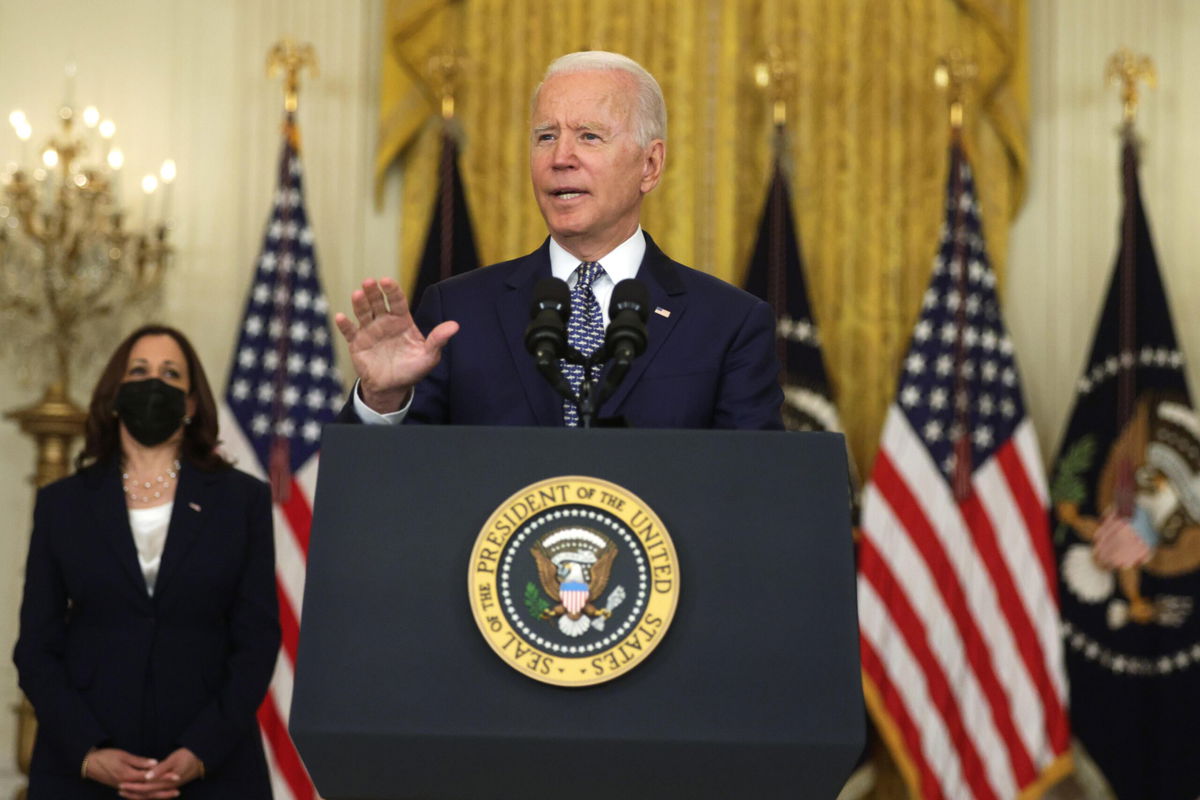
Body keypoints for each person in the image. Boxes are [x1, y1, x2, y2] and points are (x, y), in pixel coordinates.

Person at [334, 51, 784, 429]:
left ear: (650, 165)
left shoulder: (728, 325)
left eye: (589, 136)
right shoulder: (457, 313)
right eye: (546, 136)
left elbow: (751, 492)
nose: (560, 158)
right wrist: (382, 399)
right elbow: (392, 492)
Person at [14, 325, 279, 799]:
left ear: (192, 402)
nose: (154, 382)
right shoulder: (63, 504)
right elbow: (36, 647)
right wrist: (87, 752)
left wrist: (201, 750)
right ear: (115, 393)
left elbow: (257, 641)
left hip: (212, 769)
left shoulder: (243, 501)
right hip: (85, 769)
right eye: (139, 371)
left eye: (170, 373)